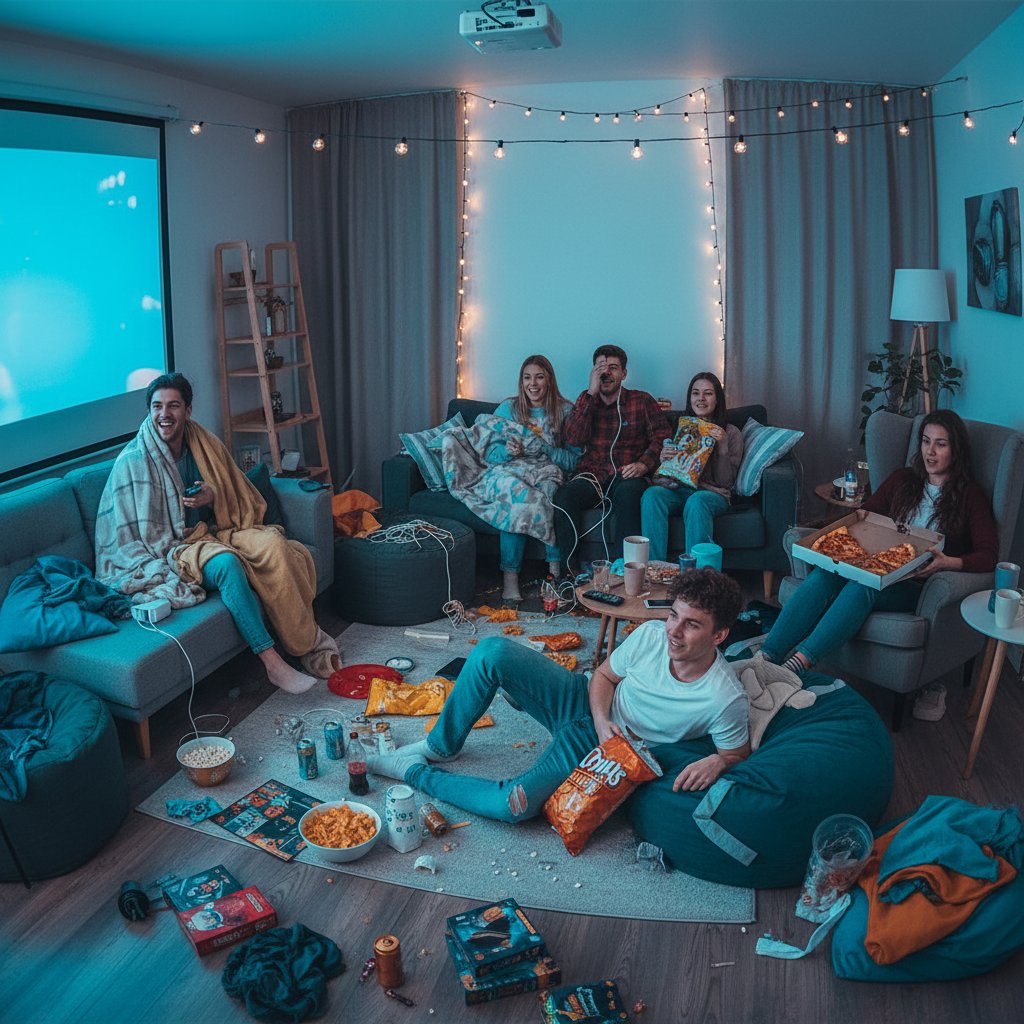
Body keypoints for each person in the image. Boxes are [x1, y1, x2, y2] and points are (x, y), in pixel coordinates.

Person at [365, 568, 749, 823]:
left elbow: (737, 753)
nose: (673, 631)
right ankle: (440, 746)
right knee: (491, 651)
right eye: (673, 616)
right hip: (586, 701)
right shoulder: (651, 635)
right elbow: (604, 675)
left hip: (607, 753)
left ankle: (413, 771)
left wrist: (719, 761)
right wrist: (602, 720)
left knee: (513, 805)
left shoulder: (724, 697)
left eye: (692, 625)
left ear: (719, 635)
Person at [94, 372, 341, 695]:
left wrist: (213, 498)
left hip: (217, 530)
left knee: (275, 544)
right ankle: (272, 664)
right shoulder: (133, 462)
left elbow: (236, 496)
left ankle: (305, 642)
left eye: (173, 406)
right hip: (175, 546)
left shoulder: (203, 443)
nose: (164, 414)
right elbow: (136, 535)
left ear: (188, 410)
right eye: (157, 406)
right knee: (226, 564)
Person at [760, 409, 998, 676]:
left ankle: (797, 665)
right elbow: (864, 517)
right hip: (876, 566)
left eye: (940, 444)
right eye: (926, 441)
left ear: (956, 451)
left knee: (863, 587)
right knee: (826, 576)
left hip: (916, 584)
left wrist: (948, 563)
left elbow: (989, 555)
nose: (930, 451)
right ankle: (766, 656)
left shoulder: (970, 496)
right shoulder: (903, 479)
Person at [554, 344, 672, 574]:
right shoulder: (586, 400)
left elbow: (662, 437)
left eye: (613, 368)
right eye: (601, 368)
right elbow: (574, 438)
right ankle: (570, 575)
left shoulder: (641, 400)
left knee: (629, 494)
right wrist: (590, 393)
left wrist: (643, 464)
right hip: (592, 475)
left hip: (627, 476)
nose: (606, 373)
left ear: (624, 374)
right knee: (564, 496)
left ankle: (623, 572)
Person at [486, 355, 581, 601]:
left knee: (548, 494)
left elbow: (575, 461)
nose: (533, 384)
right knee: (516, 497)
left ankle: (555, 574)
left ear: (549, 380)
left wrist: (545, 448)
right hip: (513, 471)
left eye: (539, 377)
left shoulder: (566, 411)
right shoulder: (508, 409)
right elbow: (487, 453)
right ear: (521, 381)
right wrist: (508, 451)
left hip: (547, 471)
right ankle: (510, 578)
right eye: (527, 377)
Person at [640, 371, 744, 562]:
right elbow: (670, 475)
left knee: (697, 500)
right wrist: (664, 459)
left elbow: (725, 484)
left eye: (708, 393)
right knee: (652, 495)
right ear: (690, 398)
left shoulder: (731, 433)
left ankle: (696, 574)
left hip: (711, 497)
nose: (701, 398)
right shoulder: (680, 427)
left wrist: (722, 446)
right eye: (696, 393)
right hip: (679, 490)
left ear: (717, 400)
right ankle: (654, 567)